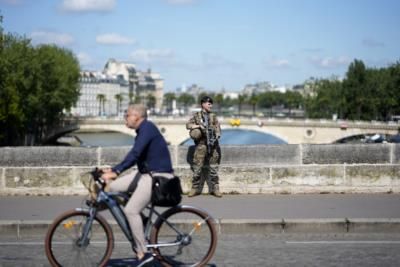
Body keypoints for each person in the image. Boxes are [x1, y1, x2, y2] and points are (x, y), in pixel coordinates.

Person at [101, 104, 174, 267]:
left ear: (137, 116)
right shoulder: (143, 130)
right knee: (113, 188)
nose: (125, 118)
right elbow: (134, 155)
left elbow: (135, 154)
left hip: (157, 176)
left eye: (127, 115)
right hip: (145, 174)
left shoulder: (147, 129)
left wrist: (117, 171)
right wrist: (112, 170)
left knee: (131, 210)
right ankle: (142, 220)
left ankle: (143, 253)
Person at [186, 96, 222, 198]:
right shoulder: (197, 116)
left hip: (213, 144)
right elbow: (188, 125)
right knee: (197, 168)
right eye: (208, 103)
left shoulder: (213, 116)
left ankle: (215, 189)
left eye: (211, 103)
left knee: (214, 168)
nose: (210, 105)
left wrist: (217, 134)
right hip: (201, 145)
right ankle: (194, 188)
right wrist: (197, 126)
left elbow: (218, 127)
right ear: (203, 104)